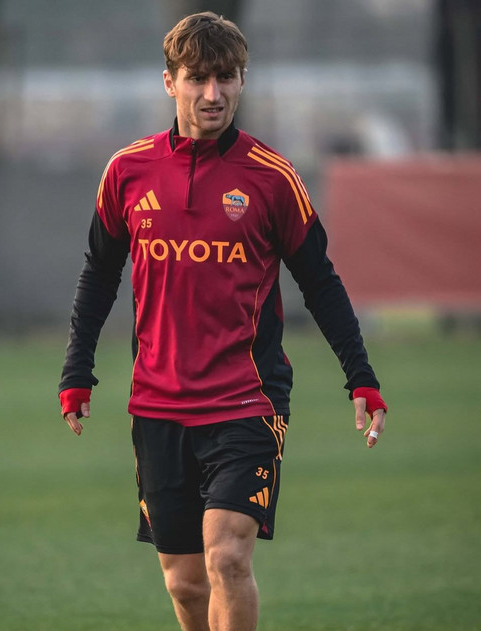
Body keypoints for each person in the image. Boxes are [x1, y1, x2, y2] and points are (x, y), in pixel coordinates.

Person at [58, 11, 387, 631]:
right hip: (158, 403)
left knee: (228, 557)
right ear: (170, 82)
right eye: (198, 79)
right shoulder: (127, 171)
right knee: (184, 583)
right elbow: (99, 274)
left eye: (227, 78)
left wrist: (361, 377)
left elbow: (320, 281)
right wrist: (78, 372)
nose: (213, 94)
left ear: (242, 80)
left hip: (246, 401)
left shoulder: (272, 177)